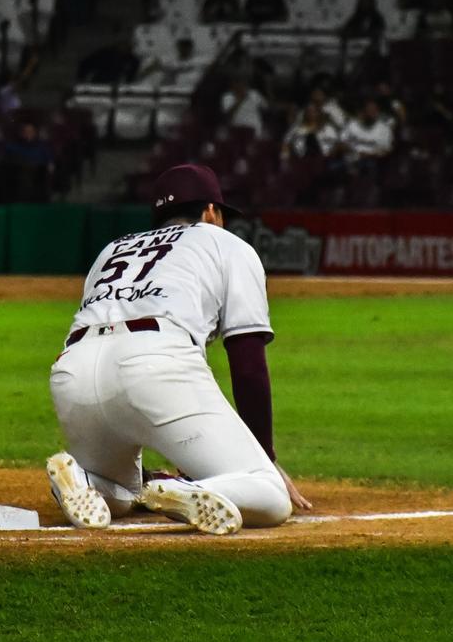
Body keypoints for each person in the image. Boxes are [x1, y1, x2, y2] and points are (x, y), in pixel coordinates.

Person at [45, 164, 310, 535]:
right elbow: (247, 360)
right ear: (211, 212)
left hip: (73, 370)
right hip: (153, 362)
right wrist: (264, 457)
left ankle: (86, 480)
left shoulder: (113, 250)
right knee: (269, 495)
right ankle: (189, 490)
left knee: (123, 494)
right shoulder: (226, 243)